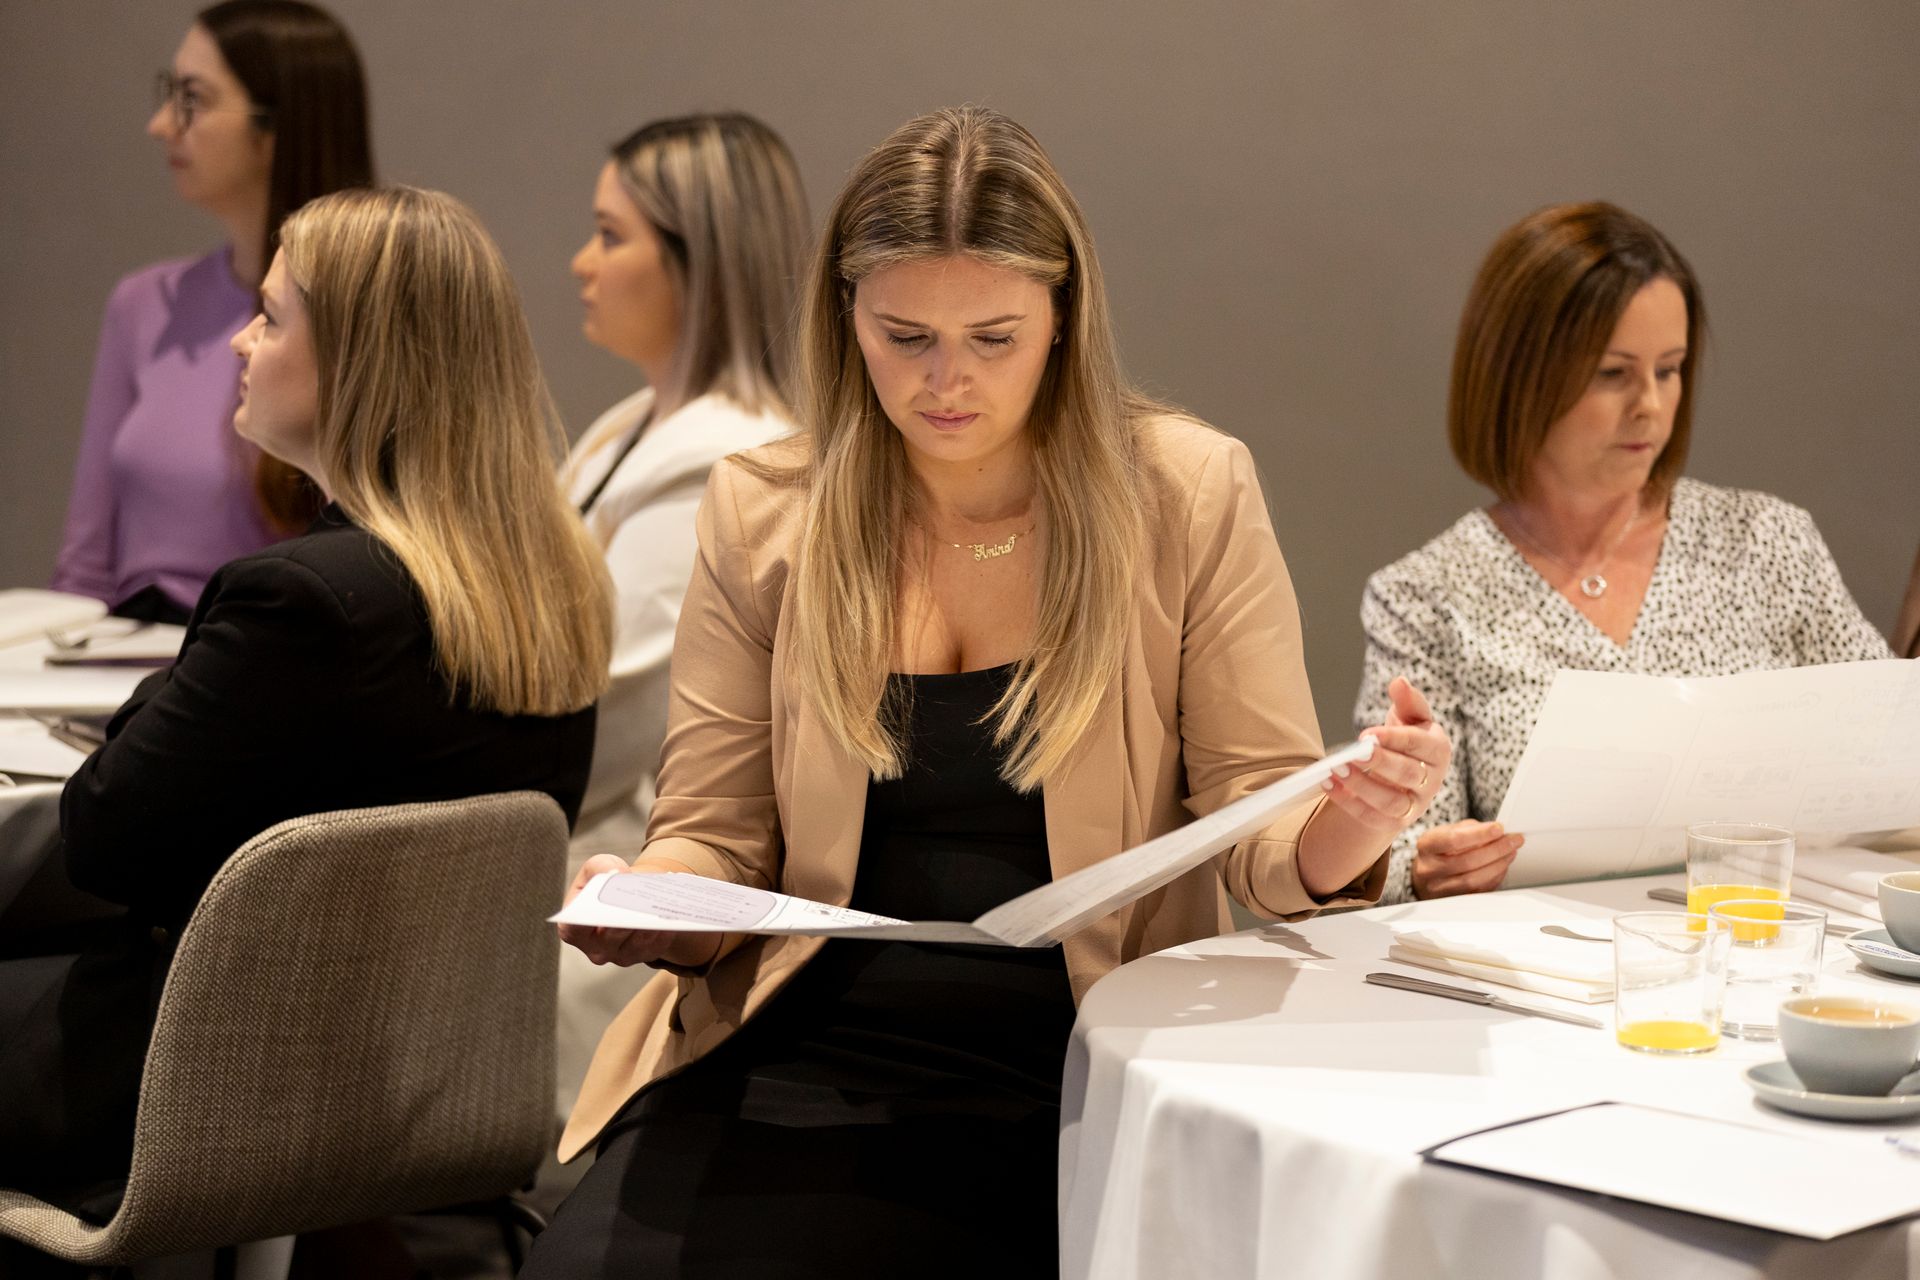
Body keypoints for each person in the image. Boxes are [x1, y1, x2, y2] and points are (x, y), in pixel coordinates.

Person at [523, 107, 1447, 1279]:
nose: (945, 379)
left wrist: (1352, 818)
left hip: (1058, 1056)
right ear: (845, 315)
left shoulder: (1185, 492)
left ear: (1062, 321)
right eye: (904, 334)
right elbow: (714, 833)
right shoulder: (765, 508)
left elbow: (1257, 815)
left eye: (993, 337)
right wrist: (651, 899)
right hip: (784, 1041)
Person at [0, 185, 612, 1226]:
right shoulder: (548, 589)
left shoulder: (305, 603)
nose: (241, 340)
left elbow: (107, 834)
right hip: (400, 1094)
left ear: (363, 360)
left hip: (190, 1087)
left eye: (272, 316)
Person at [1355, 201, 1894, 904]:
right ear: (1520, 376)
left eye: (1669, 370)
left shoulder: (1768, 541)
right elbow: (1392, 854)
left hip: (1770, 952)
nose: (1651, 405)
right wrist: (1426, 867)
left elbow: (1895, 758)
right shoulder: (1427, 595)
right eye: (1614, 374)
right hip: (1540, 983)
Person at [555, 114, 809, 1115]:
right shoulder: (629, 425)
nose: (582, 262)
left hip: (614, 876)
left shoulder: (724, 464)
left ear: (698, 264)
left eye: (611, 236)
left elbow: (601, 728)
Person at [51, 0, 374, 623]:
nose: (161, 125)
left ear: (277, 124)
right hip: (120, 667)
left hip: (267, 664)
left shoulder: (363, 312)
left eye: (192, 99)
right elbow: (84, 568)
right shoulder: (145, 303)